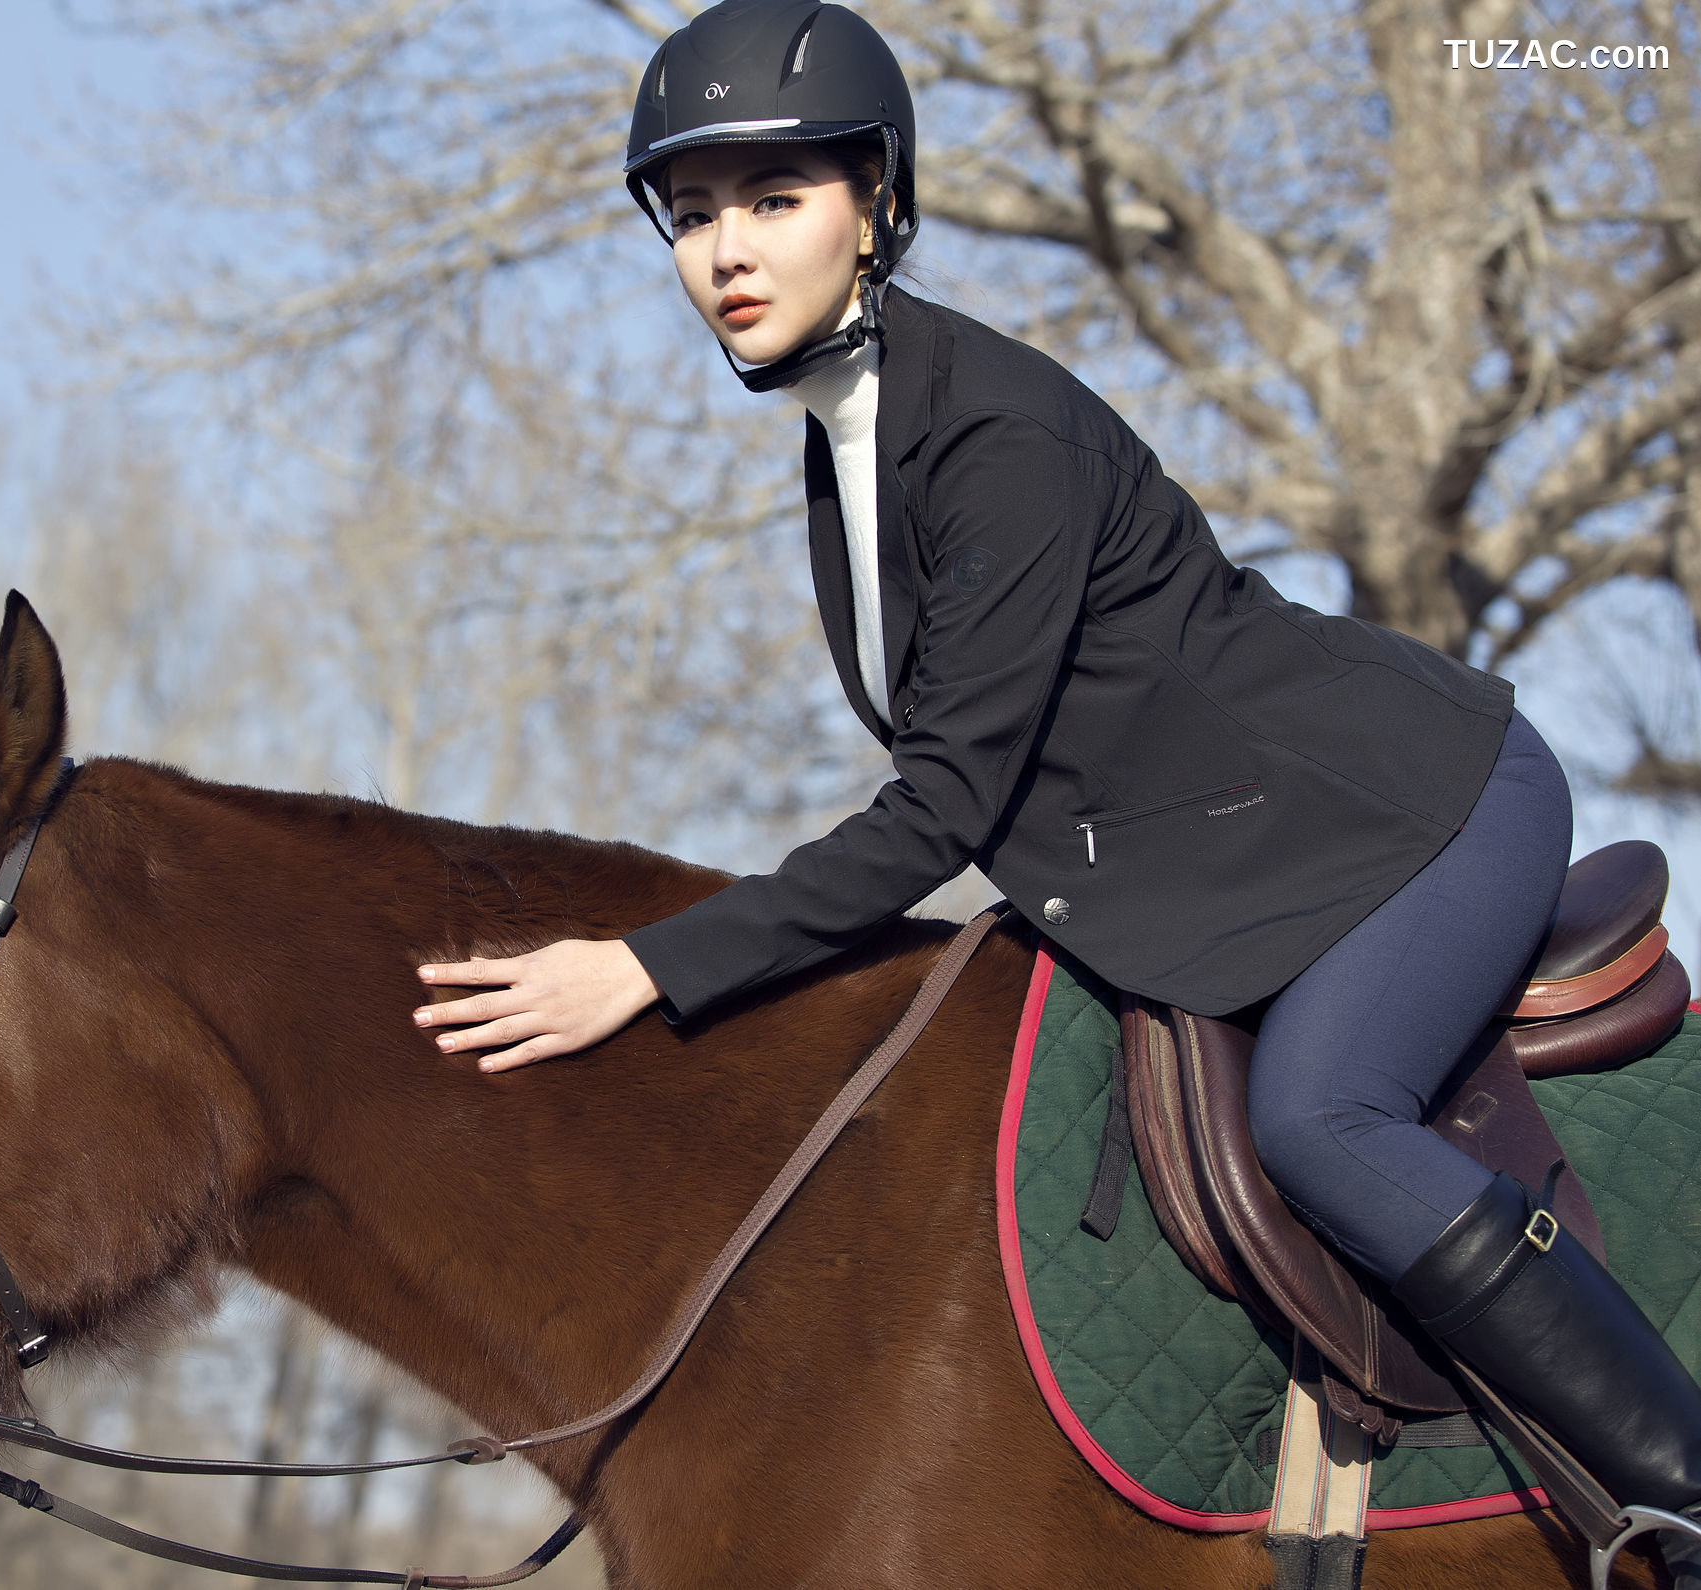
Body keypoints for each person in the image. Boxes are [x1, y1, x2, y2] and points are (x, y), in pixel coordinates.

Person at [409, 0, 1701, 1542]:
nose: (722, 251)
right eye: (690, 216)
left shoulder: (995, 436)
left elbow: (943, 807)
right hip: (1237, 863)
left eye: (772, 201)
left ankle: (1674, 1496)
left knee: (1321, 1118)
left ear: (876, 209)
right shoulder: (849, 440)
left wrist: (644, 966)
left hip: (1418, 812)